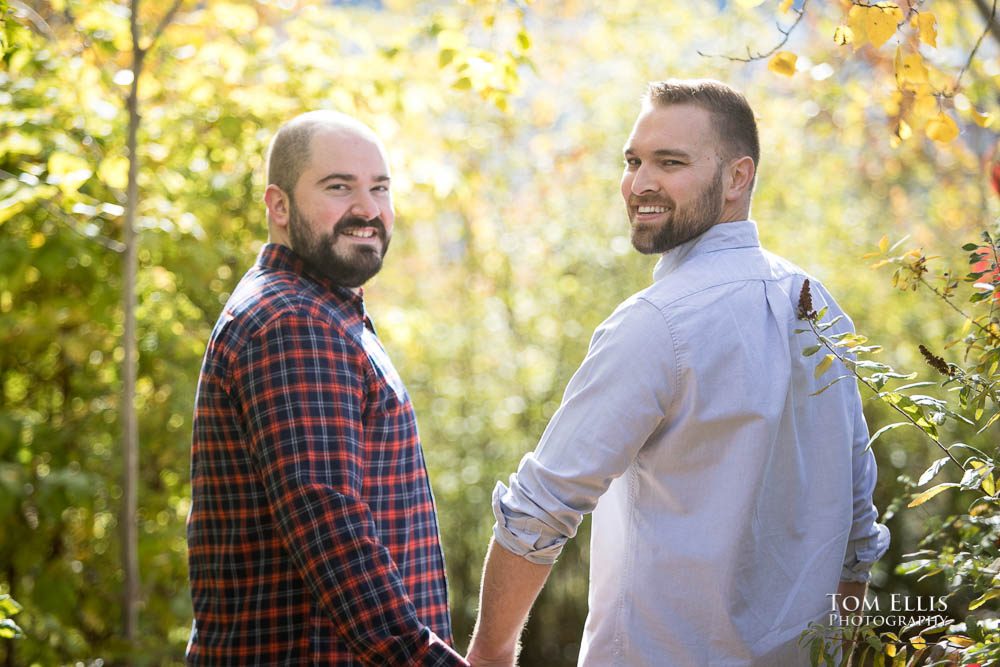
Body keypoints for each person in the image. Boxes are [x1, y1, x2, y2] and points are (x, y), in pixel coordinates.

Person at [466, 79, 890, 666]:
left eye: (670, 162)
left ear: (738, 178)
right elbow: (857, 534)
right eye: (633, 161)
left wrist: (489, 654)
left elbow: (538, 511)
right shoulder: (820, 307)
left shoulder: (656, 325)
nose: (640, 183)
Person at [187, 110, 467, 665]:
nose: (367, 209)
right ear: (280, 206)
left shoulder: (317, 312)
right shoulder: (296, 323)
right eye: (339, 187)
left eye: (379, 188)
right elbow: (330, 528)